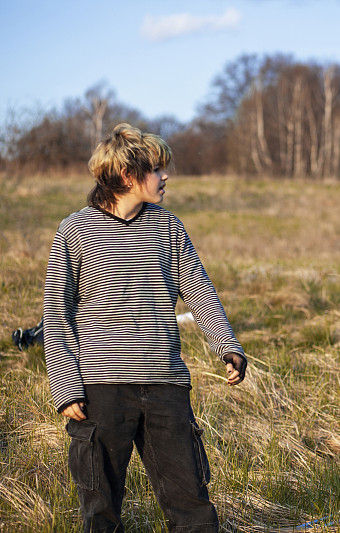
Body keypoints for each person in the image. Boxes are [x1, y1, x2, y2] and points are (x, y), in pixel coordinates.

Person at [43, 123, 248, 533]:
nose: (165, 176)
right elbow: (56, 315)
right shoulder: (75, 230)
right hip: (100, 391)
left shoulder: (169, 228)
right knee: (100, 511)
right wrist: (66, 388)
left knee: (192, 505)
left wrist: (227, 345)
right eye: (156, 169)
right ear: (127, 175)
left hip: (166, 387)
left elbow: (199, 292)